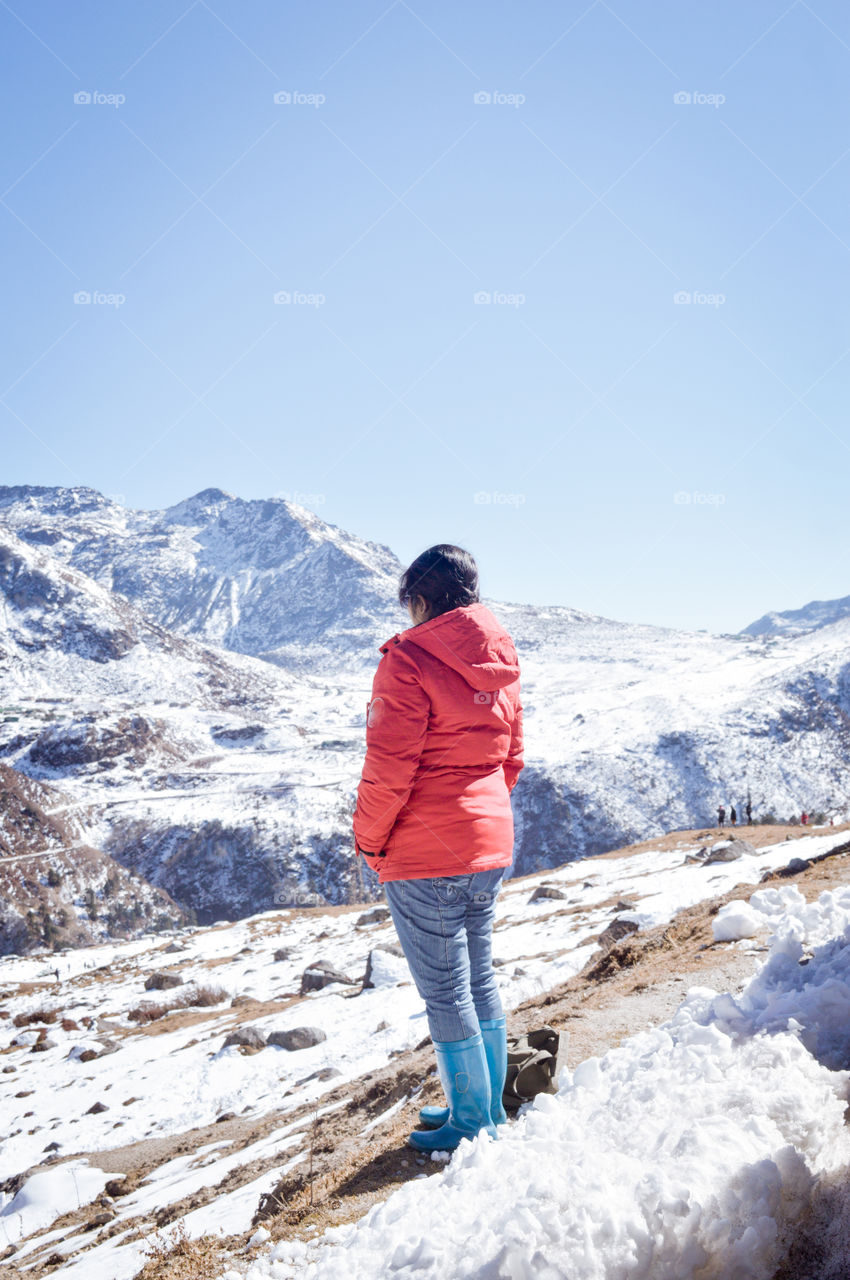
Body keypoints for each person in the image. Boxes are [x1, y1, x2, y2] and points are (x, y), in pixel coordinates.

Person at [353, 544, 524, 1153]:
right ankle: (485, 1106)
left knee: (446, 990)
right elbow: (511, 758)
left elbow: (389, 769)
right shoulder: (500, 659)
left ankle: (472, 1122)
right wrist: (475, 817)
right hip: (489, 843)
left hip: (426, 853)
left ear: (420, 600)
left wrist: (370, 841)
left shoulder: (408, 661)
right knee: (478, 977)